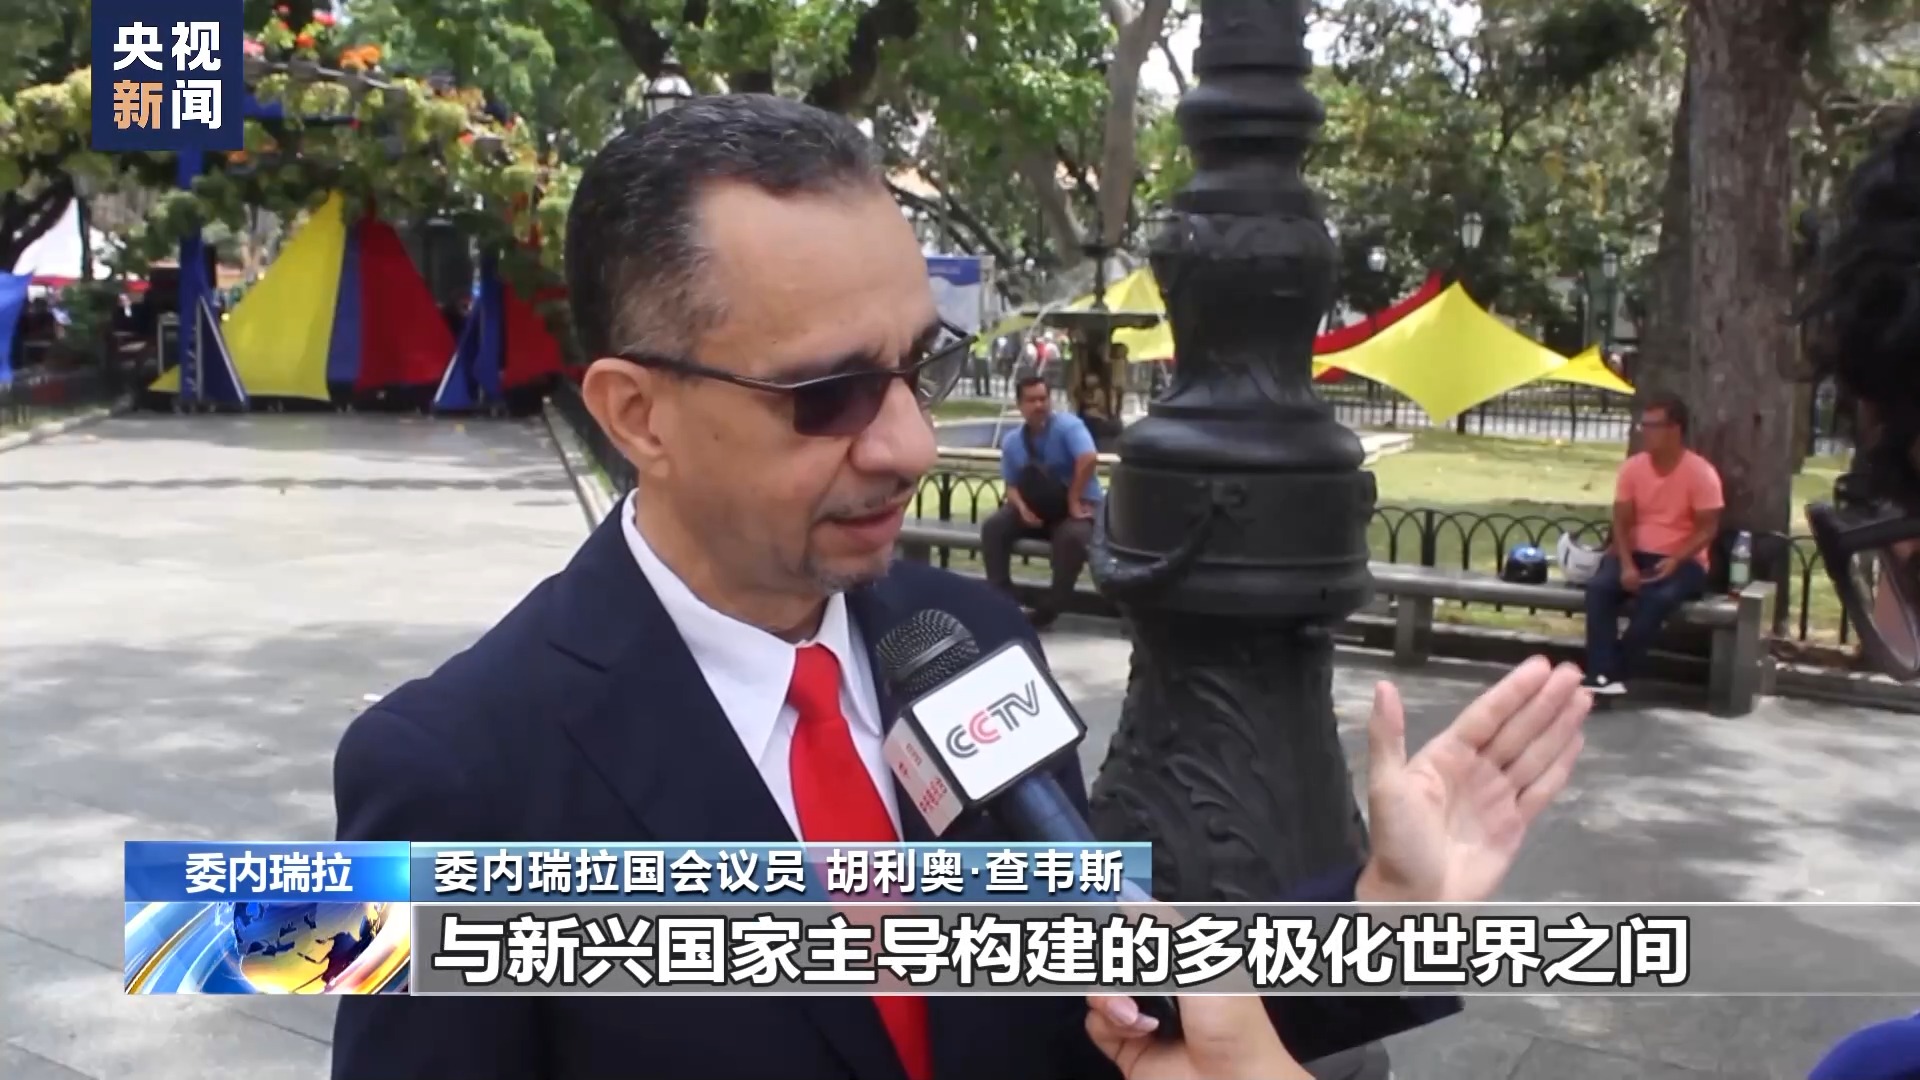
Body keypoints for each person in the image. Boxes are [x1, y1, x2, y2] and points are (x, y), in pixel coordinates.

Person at [330, 94, 1590, 1080]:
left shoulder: (966, 641)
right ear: (635, 414)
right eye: (828, 394)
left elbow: (1117, 996)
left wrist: (1379, 916)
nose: (909, 445)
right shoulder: (449, 777)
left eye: (917, 369)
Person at [1581, 392, 1724, 695]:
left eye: (1652, 425)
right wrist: (1626, 564)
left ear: (1675, 429)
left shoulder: (1701, 473)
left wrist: (1675, 559)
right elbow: (1621, 521)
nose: (1644, 432)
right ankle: (1604, 675)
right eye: (1642, 425)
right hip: (1632, 552)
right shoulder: (1633, 468)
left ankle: (1608, 673)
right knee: (1599, 590)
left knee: (1656, 600)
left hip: (1683, 560)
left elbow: (1707, 529)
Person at [982, 374, 1100, 628]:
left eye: (1043, 398)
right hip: (1036, 511)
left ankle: (1050, 609)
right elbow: (1011, 485)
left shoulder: (1069, 427)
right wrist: (1023, 509)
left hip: (1074, 511)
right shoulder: (1012, 441)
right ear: (1019, 405)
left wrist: (1074, 499)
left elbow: (1088, 457)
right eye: (1032, 400)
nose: (1039, 405)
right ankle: (1001, 598)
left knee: (1072, 539)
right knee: (994, 526)